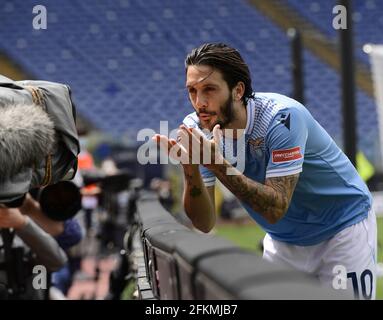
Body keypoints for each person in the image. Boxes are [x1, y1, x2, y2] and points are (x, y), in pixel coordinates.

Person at [153, 43, 377, 299]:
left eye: (209, 89)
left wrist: (217, 164)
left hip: (341, 228)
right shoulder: (197, 128)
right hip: (283, 239)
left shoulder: (282, 118)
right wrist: (190, 167)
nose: (199, 103)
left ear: (238, 91)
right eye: (192, 91)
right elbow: (204, 223)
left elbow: (275, 208)